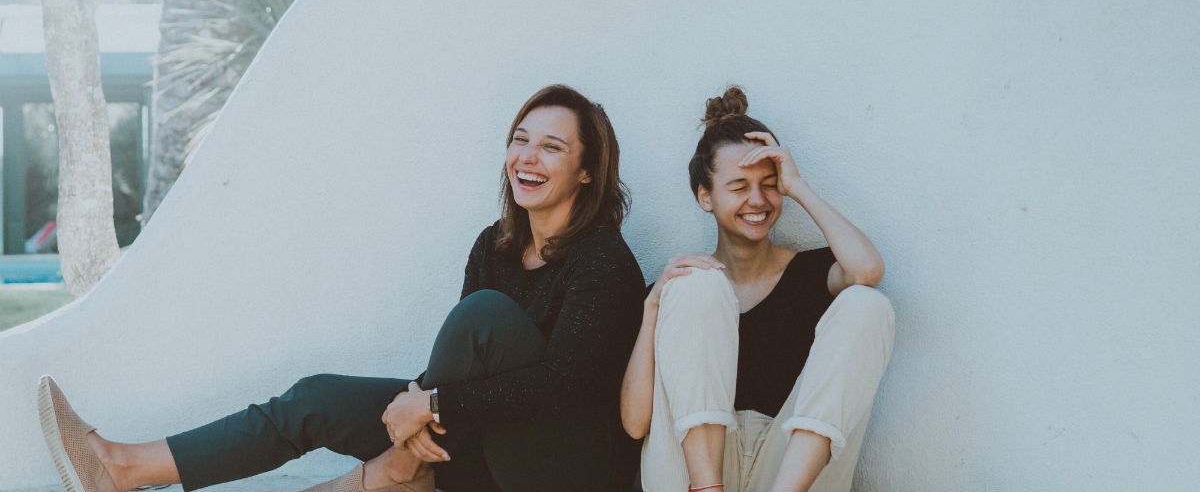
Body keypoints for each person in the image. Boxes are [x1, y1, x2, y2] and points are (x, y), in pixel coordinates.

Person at [39, 84, 645, 492]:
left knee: (482, 315)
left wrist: (428, 406)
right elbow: (463, 368)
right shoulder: (496, 245)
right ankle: (123, 467)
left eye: (552, 146)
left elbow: (562, 386)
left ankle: (398, 470)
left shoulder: (602, 260)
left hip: (567, 470)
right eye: (520, 139)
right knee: (315, 398)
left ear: (587, 170)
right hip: (481, 452)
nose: (527, 156)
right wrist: (423, 407)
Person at [620, 86, 895, 492]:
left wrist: (798, 186)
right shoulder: (680, 290)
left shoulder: (810, 272)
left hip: (785, 471)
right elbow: (635, 422)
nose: (757, 200)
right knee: (698, 283)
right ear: (705, 196)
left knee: (867, 305)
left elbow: (868, 270)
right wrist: (652, 306)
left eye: (769, 184)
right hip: (690, 472)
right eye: (738, 186)